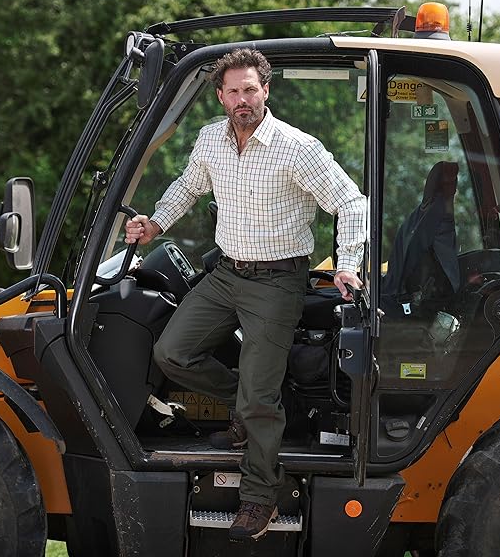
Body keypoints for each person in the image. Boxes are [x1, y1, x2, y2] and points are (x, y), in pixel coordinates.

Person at [124, 48, 366, 541]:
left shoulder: (297, 148)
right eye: (233, 91)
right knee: (172, 353)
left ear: (266, 91)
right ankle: (256, 411)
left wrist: (347, 265)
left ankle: (261, 496)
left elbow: (351, 202)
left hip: (278, 281)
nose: (242, 99)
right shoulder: (211, 139)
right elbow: (187, 187)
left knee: (260, 395)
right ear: (220, 96)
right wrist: (155, 223)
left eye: (250, 89)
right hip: (226, 273)